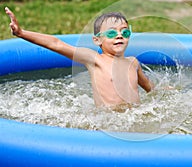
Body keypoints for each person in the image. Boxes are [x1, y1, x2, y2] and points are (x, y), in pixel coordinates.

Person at [5, 7, 154, 111]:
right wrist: (21, 33)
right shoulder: (95, 60)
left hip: (134, 118)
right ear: (97, 40)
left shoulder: (133, 63)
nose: (119, 36)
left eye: (125, 32)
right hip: (109, 121)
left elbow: (150, 88)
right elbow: (56, 44)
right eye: (111, 33)